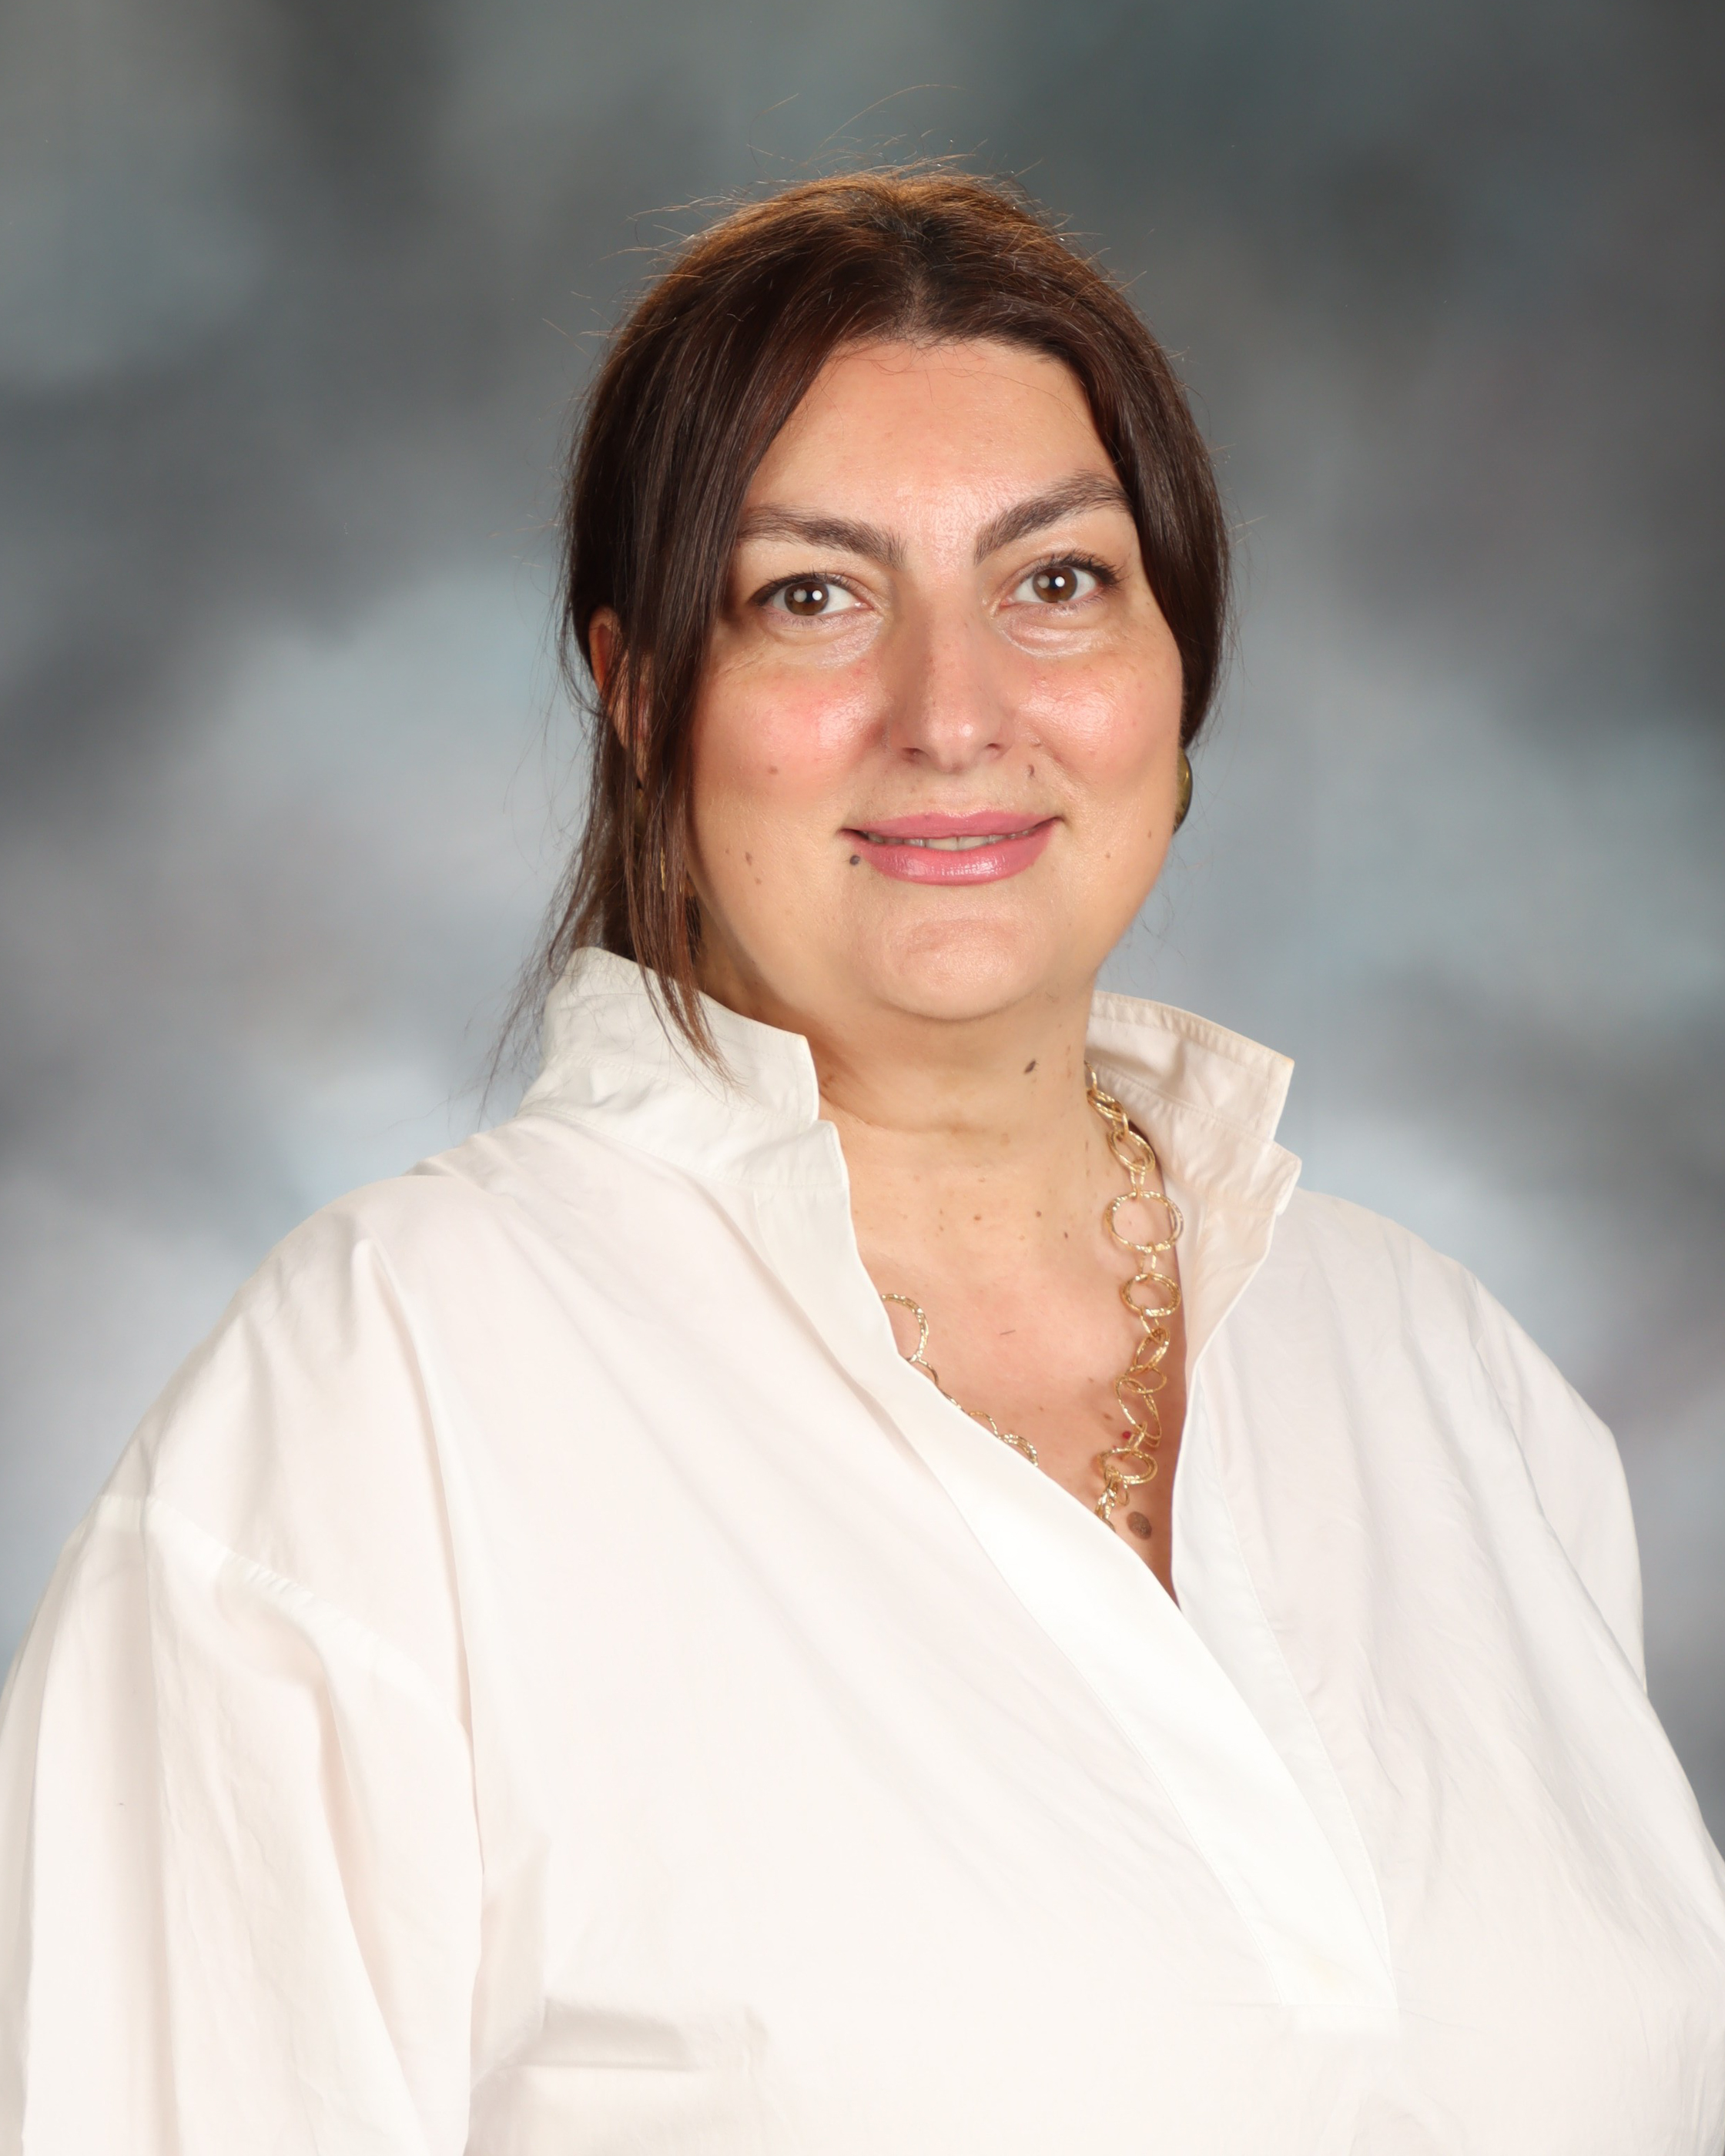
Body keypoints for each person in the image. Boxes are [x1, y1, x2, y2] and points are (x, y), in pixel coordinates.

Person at [2, 169, 1722, 2155]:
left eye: (1056, 581)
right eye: (811, 596)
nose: (954, 716)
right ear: (643, 692)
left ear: (1178, 673)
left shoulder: (1450, 1383)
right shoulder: (380, 1401)